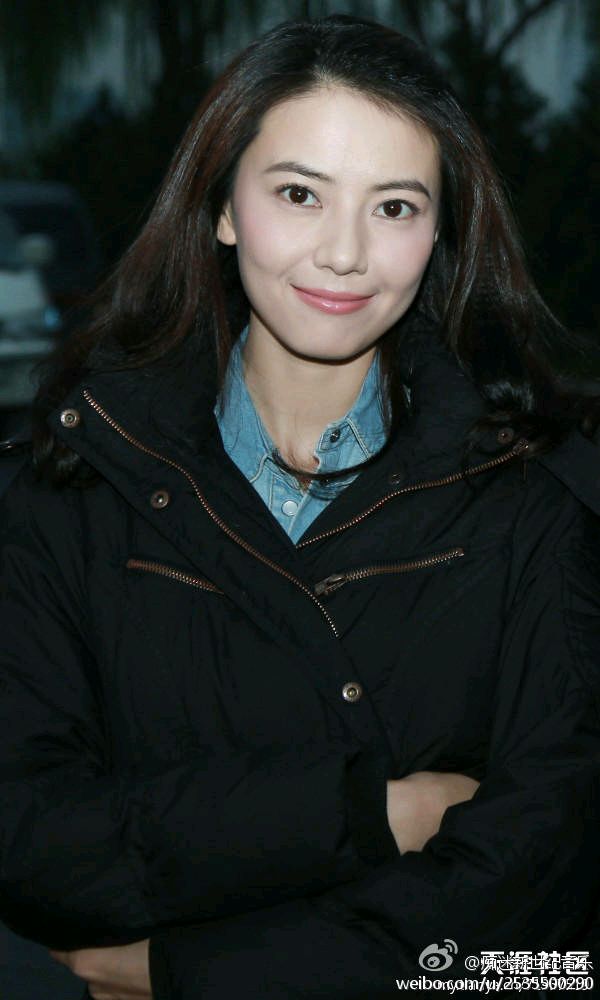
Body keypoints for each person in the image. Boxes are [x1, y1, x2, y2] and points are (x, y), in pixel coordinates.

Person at [1, 13, 599, 1000]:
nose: (345, 253)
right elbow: (34, 836)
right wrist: (376, 814)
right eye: (298, 194)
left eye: (395, 206)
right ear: (223, 207)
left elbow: (536, 895)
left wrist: (189, 971)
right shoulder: (76, 485)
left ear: (440, 232)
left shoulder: (531, 498)